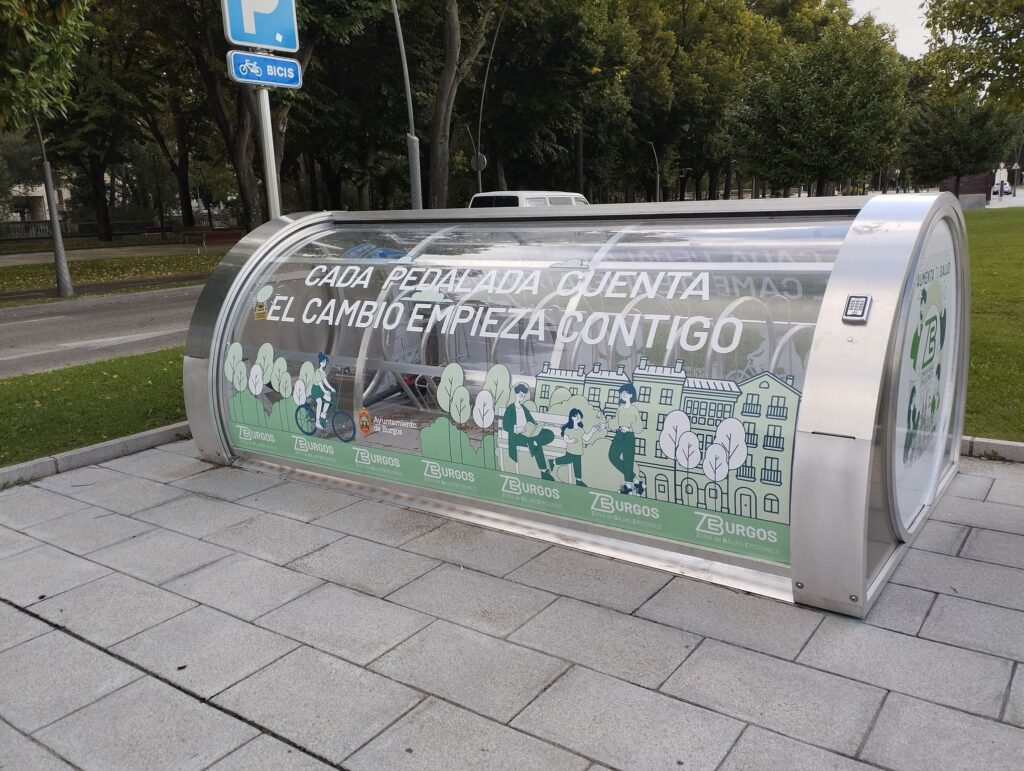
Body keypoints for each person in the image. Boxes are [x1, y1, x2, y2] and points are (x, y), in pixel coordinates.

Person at [502, 383, 555, 480]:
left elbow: (531, 421)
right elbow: (505, 425)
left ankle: (534, 442)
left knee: (550, 433)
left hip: (528, 433)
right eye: (520, 395)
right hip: (517, 436)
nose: (522, 397)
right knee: (536, 442)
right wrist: (517, 428)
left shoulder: (524, 408)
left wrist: (537, 427)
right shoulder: (510, 408)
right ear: (516, 394)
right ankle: (544, 470)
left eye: (523, 395)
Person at [606, 382, 645, 495]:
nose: (623, 395)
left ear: (631, 395)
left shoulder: (634, 410)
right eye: (622, 393)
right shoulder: (620, 409)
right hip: (619, 435)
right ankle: (637, 481)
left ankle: (628, 487)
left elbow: (639, 426)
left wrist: (629, 429)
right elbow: (615, 422)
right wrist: (606, 424)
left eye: (626, 393)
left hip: (628, 436)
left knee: (628, 461)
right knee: (612, 456)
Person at [548, 408, 602, 486]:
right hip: (571, 450)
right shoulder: (568, 429)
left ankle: (578, 480)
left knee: (578, 466)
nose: (578, 417)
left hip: (579, 451)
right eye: (576, 416)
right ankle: (553, 461)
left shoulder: (580, 429)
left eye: (579, 416)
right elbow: (565, 438)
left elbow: (586, 438)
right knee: (568, 459)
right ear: (572, 417)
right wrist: (571, 441)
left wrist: (593, 430)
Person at [310, 353, 336, 433]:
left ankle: (323, 414)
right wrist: (325, 391)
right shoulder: (317, 372)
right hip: (315, 390)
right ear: (320, 362)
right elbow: (320, 383)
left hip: (320, 390)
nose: (324, 364)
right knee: (320, 402)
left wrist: (331, 389)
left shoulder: (323, 372)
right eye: (323, 362)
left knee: (328, 398)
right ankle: (317, 421)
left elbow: (325, 381)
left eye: (325, 362)